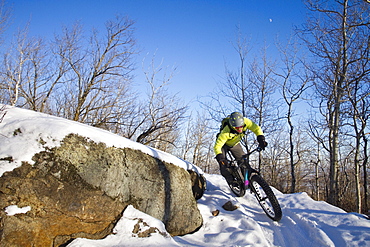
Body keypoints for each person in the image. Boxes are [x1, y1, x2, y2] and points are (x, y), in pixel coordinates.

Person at [214, 112, 268, 184]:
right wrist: (220, 156)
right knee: (224, 165)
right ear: (232, 126)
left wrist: (261, 138)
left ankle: (248, 181)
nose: (239, 129)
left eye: (241, 126)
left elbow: (256, 128)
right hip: (223, 145)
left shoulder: (246, 122)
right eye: (237, 127)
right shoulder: (225, 132)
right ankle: (232, 182)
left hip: (235, 144)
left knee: (244, 162)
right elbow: (217, 146)